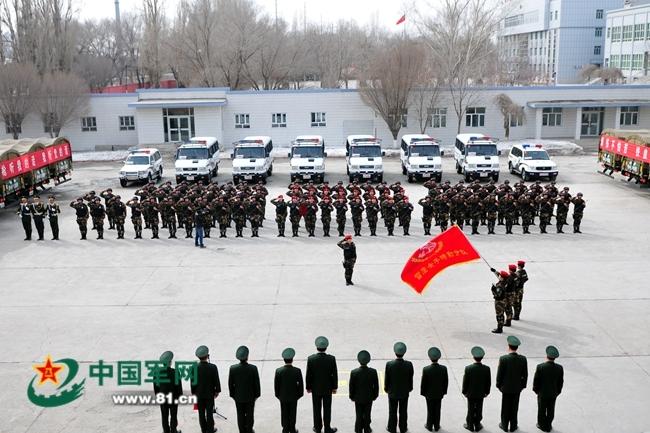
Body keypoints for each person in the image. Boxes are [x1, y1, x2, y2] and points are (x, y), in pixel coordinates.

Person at [306, 336, 338, 433]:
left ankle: (317, 427)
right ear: (326, 347)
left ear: (316, 347)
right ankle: (327, 428)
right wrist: (334, 387)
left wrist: (308, 387)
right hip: (327, 388)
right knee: (327, 409)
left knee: (316, 408)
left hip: (315, 389)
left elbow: (309, 375)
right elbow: (334, 374)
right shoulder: (331, 359)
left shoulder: (311, 359)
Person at [496, 336, 528, 433]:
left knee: (505, 407)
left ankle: (504, 425)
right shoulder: (523, 359)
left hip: (505, 388)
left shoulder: (503, 359)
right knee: (515, 407)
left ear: (508, 346)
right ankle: (513, 426)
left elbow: (499, 375)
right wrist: (522, 386)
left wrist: (499, 385)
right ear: (517, 347)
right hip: (517, 388)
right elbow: (525, 374)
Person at [229, 346, 261, 433]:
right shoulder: (253, 368)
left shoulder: (233, 368)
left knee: (240, 415)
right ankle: (249, 430)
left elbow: (231, 384)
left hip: (238, 397)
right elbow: (256, 384)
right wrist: (257, 395)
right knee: (250, 415)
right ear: (247, 357)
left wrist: (233, 395)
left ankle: (242, 430)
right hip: (250, 397)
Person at [384, 342, 414, 433]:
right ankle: (403, 428)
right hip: (404, 392)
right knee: (403, 411)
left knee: (392, 411)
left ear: (395, 352)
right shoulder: (409, 364)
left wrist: (386, 388)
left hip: (392, 392)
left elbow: (387, 378)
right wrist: (409, 388)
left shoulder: (389, 364)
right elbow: (410, 377)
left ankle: (391, 428)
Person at [191, 345, 221, 433]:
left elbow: (192, 382)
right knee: (209, 413)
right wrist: (217, 391)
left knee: (201, 413)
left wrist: (194, 393)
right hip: (209, 394)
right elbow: (216, 380)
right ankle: (210, 429)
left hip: (199, 394)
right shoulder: (213, 367)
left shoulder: (194, 368)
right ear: (207, 356)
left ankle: (203, 430)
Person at [533, 346, 563, 432]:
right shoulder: (559, 368)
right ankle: (548, 424)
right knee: (551, 410)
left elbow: (536, 381)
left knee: (541, 410)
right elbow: (560, 382)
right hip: (553, 393)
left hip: (542, 393)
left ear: (547, 355)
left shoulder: (540, 367)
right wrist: (557, 392)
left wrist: (536, 391)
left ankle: (541, 424)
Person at [274, 348, 304, 433]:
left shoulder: (279, 371)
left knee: (284, 413)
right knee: (293, 413)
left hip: (282, 396)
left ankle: (285, 429)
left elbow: (276, 385)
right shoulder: (297, 371)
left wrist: (278, 395)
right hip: (294, 396)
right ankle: (292, 429)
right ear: (292, 359)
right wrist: (299, 395)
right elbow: (300, 385)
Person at [349, 350, 379, 433]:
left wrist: (351, 396)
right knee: (367, 413)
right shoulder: (373, 372)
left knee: (358, 414)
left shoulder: (354, 372)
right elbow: (376, 386)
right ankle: (367, 428)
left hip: (358, 397)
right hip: (369, 397)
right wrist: (375, 395)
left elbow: (351, 386)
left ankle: (358, 429)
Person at [462, 346, 491, 432]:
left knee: (470, 409)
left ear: (473, 357)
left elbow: (465, 382)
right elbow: (488, 382)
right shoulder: (486, 369)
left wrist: (464, 392)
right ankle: (477, 424)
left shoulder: (468, 368)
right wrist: (487, 392)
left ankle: (470, 425)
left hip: (470, 393)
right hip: (481, 393)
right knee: (479, 408)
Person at [153, 351, 183, 433]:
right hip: (173, 398)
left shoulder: (156, 373)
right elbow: (179, 386)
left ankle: (166, 431)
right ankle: (173, 430)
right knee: (173, 415)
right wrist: (180, 396)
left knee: (164, 415)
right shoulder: (175, 372)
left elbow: (156, 387)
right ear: (170, 362)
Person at [420, 347, 448, 432]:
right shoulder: (443, 368)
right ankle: (436, 425)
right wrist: (444, 392)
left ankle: (429, 425)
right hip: (439, 393)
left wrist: (423, 393)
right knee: (437, 409)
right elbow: (446, 382)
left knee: (430, 409)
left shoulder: (426, 369)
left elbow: (423, 383)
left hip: (429, 394)